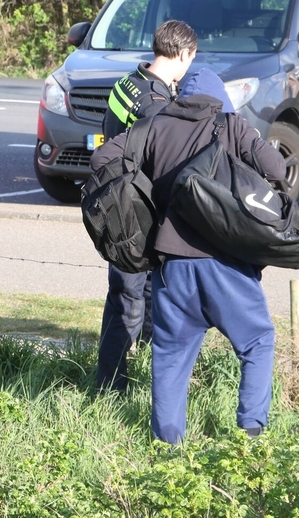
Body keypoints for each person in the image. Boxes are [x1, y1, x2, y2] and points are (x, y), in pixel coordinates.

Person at [92, 67, 285, 444]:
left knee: (170, 358)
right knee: (257, 341)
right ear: (220, 100)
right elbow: (277, 169)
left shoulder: (155, 127)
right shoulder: (232, 125)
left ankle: (167, 449)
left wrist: (142, 199)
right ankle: (251, 432)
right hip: (226, 265)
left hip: (171, 268)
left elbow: (102, 160)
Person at [95, 19, 198, 393]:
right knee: (131, 301)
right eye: (190, 60)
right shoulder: (157, 106)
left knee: (136, 296)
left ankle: (122, 383)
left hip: (117, 204)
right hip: (139, 215)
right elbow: (163, 162)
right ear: (183, 54)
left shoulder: (127, 84)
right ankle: (116, 388)